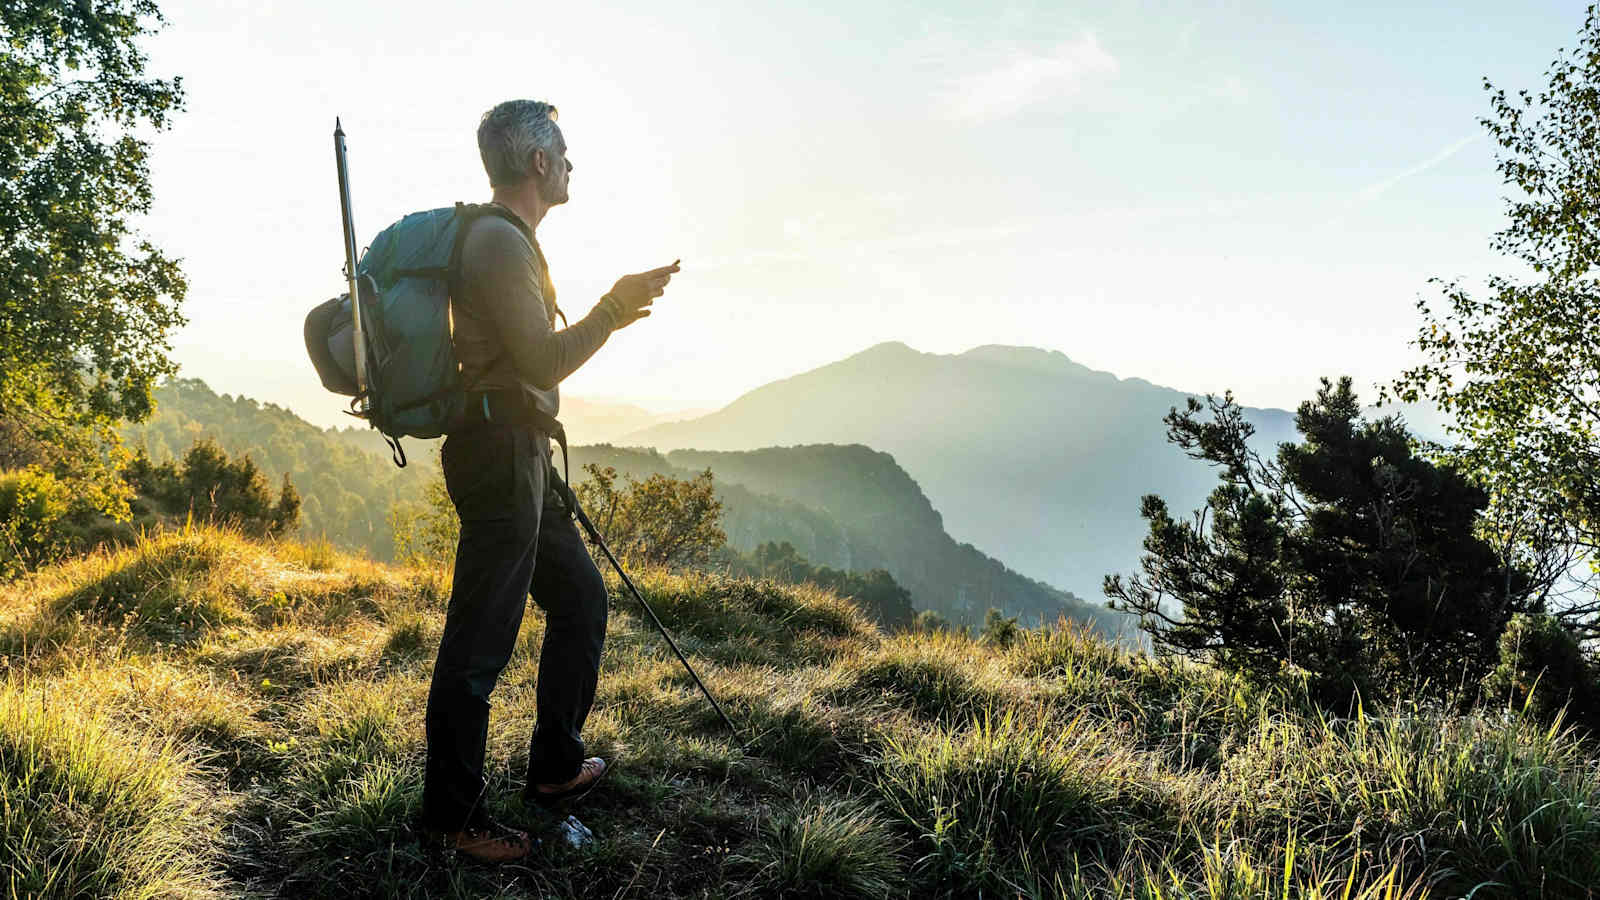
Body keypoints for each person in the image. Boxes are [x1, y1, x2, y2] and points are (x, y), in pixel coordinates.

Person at [419, 98, 679, 863]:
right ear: (537, 162)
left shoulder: (507, 241)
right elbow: (541, 362)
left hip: (518, 449)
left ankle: (557, 767)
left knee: (579, 597)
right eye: (563, 153)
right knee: (478, 644)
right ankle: (451, 818)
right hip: (499, 456)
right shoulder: (499, 244)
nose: (570, 165)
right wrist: (613, 307)